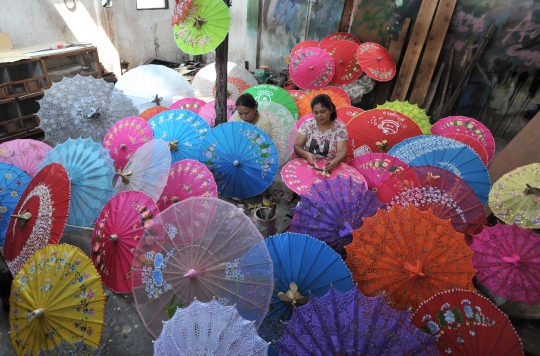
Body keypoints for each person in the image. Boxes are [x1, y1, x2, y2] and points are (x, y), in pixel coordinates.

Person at [294, 94, 348, 172]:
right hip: (307, 165)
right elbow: (297, 146)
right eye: (316, 113)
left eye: (322, 112)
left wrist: (334, 161)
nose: (319, 115)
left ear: (330, 110)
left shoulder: (340, 128)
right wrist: (306, 154)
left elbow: (342, 151)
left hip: (329, 167)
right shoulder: (308, 124)